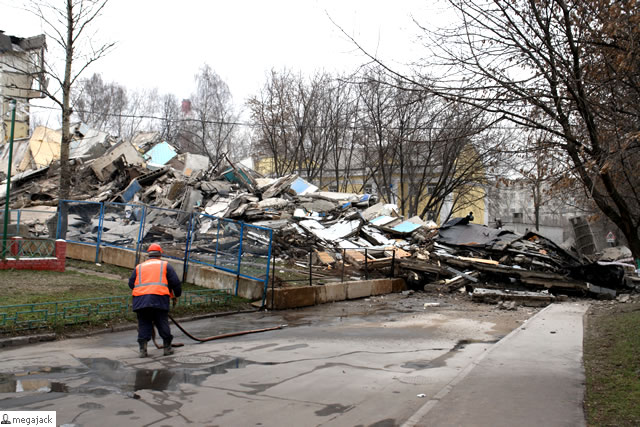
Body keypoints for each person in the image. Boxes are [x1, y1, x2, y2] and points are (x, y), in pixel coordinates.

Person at [129, 243, 182, 357]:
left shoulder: (139, 267)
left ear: (148, 254)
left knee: (144, 323)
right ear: (160, 254)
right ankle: (167, 348)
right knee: (161, 322)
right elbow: (175, 283)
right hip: (159, 298)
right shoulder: (165, 265)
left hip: (141, 300)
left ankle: (143, 350)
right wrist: (177, 294)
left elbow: (131, 284)